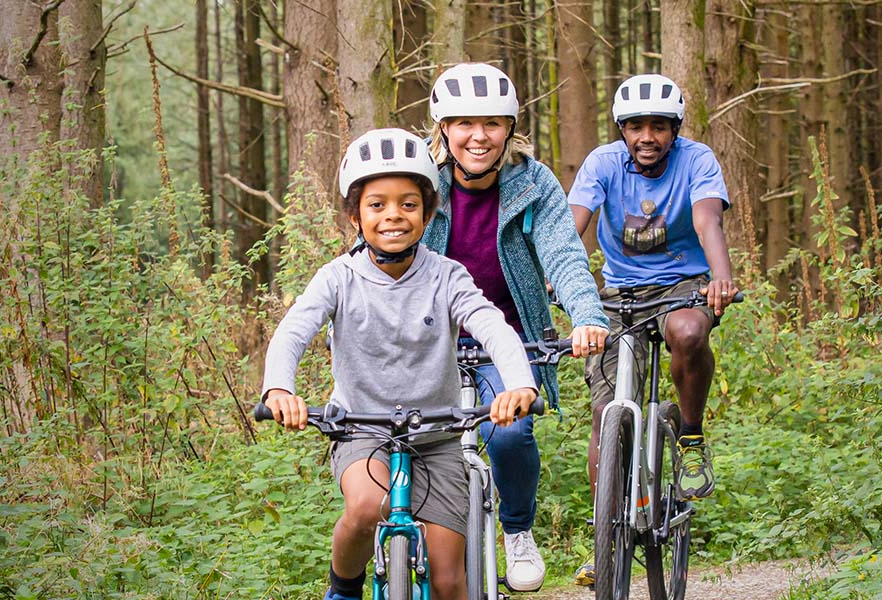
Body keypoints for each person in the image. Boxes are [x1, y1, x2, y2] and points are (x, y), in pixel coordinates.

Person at [260, 128, 539, 600]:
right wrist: (279, 389)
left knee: (451, 580)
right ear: (355, 215)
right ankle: (344, 587)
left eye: (408, 204)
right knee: (368, 506)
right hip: (361, 431)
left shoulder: (448, 276)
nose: (393, 215)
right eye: (377, 205)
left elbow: (492, 326)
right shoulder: (338, 278)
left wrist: (518, 384)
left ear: (428, 214)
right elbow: (294, 330)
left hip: (437, 438)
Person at [422, 62, 610, 591]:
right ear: (443, 129)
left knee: (510, 433)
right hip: (424, 343)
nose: (478, 136)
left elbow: (564, 256)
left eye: (492, 123)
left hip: (504, 342)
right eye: (464, 123)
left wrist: (587, 317)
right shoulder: (421, 181)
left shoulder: (533, 182)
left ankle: (518, 530)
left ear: (510, 128)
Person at [566, 74, 741, 584]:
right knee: (606, 413)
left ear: (675, 129)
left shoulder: (697, 160)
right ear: (622, 129)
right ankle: (605, 537)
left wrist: (722, 280)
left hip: (683, 284)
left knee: (687, 333)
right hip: (617, 294)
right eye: (636, 126)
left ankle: (689, 438)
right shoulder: (602, 164)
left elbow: (709, 221)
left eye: (659, 126)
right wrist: (562, 278)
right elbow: (572, 223)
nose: (648, 136)